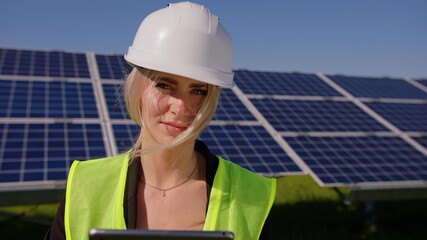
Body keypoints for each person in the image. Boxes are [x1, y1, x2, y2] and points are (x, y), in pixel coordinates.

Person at [45, 2, 276, 240]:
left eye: (198, 91)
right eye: (164, 85)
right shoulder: (85, 186)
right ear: (138, 89)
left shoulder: (253, 195)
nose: (181, 107)